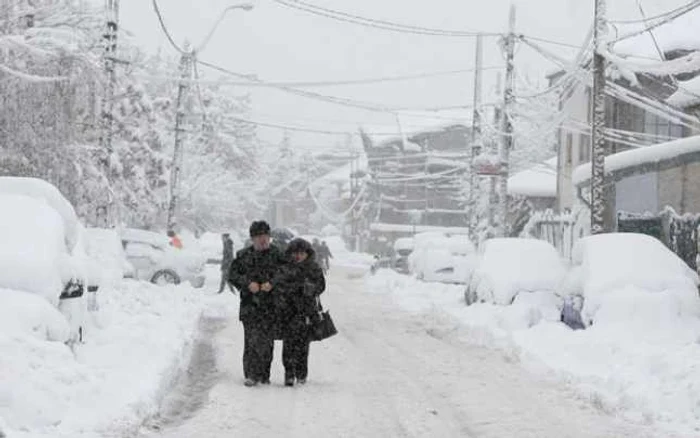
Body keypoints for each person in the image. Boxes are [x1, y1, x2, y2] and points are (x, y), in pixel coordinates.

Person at [228, 221, 287, 387]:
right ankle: (251, 375)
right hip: (250, 305)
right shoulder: (243, 256)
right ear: (253, 239)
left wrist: (273, 283)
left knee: (267, 342)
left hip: (271, 305)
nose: (263, 240)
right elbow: (232, 275)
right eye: (259, 237)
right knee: (251, 341)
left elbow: (287, 273)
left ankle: (264, 375)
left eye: (266, 236)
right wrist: (247, 284)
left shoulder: (278, 255)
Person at [276, 238, 325, 387]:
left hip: (307, 312)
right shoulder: (285, 267)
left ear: (307, 254)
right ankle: (289, 373)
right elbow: (279, 286)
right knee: (288, 345)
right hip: (288, 311)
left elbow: (321, 286)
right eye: (295, 253)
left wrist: (310, 288)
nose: (298, 256)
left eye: (301, 253)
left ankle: (301, 373)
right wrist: (292, 290)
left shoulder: (314, 268)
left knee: (303, 346)